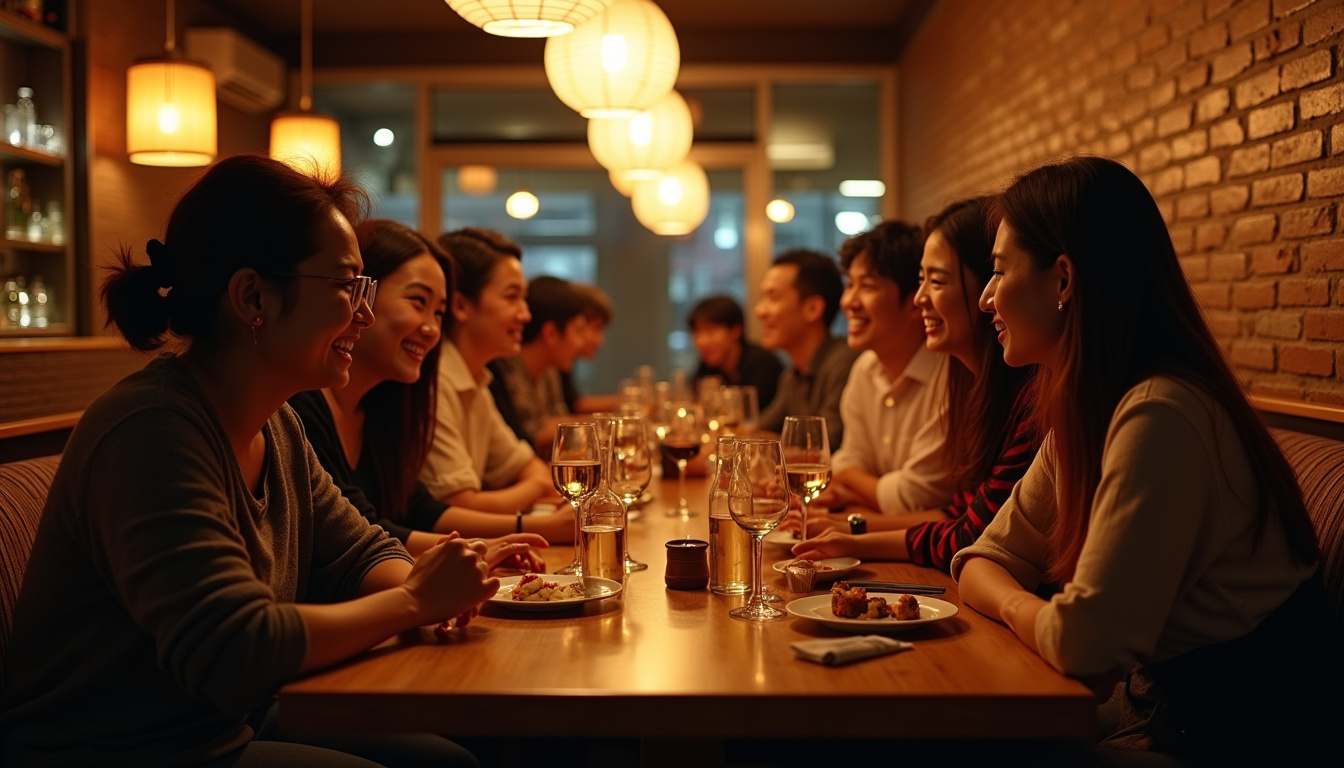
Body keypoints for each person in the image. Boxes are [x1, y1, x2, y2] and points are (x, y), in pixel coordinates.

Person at [0, 156, 493, 767]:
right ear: (253, 296)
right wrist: (417, 601)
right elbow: (234, 651)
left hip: (221, 724)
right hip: (120, 751)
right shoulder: (153, 431)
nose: (362, 313)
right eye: (346, 286)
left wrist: (428, 585)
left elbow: (358, 552)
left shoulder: (277, 422)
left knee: (452, 759)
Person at [950, 156, 1342, 764]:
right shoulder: (1086, 406)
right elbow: (985, 556)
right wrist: (1032, 609)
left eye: (999, 272)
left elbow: (1085, 647)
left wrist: (1022, 607)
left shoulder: (1162, 413)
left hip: (1234, 736)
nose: (985, 299)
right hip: (1159, 705)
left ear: (1063, 280)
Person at [289, 219, 573, 556]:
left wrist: (503, 542)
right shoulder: (301, 407)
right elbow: (363, 534)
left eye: (438, 312)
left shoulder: (385, 403)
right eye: (418, 302)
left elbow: (418, 508)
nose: (431, 328)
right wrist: (512, 537)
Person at [792, 200, 1040, 573]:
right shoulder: (971, 385)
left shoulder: (1025, 398)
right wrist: (849, 529)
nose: (920, 297)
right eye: (920, 280)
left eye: (935, 281)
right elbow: (960, 514)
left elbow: (963, 530)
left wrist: (855, 529)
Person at [808, 220, 955, 518]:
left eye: (868, 286)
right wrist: (860, 484)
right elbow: (849, 457)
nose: (849, 301)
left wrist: (851, 483)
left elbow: (914, 498)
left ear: (915, 301)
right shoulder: (866, 369)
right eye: (850, 284)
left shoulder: (950, 376)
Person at [422, 227, 565, 515]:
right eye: (512, 297)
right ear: (461, 305)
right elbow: (459, 506)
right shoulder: (434, 382)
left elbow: (526, 466)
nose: (525, 314)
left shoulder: (475, 380)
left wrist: (533, 485)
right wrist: (535, 489)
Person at [754, 249, 860, 444]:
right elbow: (756, 432)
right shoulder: (792, 375)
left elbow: (824, 448)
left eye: (773, 297)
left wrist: (767, 444)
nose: (759, 310)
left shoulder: (845, 365)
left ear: (813, 309)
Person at [489, 275, 587, 453]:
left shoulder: (549, 372)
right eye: (578, 331)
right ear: (550, 333)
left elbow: (560, 432)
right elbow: (521, 442)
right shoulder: (497, 372)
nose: (581, 344)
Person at [688, 294, 783, 410]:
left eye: (711, 331)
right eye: (697, 332)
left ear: (735, 330)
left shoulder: (763, 363)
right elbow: (695, 404)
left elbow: (751, 415)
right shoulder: (707, 367)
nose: (701, 342)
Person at [561, 282, 620, 414]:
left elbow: (573, 403)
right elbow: (575, 405)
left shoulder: (565, 361)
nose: (601, 341)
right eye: (596, 328)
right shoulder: (556, 360)